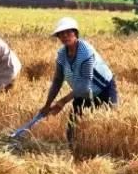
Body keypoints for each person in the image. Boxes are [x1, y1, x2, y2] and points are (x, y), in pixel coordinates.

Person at [39, 17, 119, 150]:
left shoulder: (85, 52)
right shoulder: (62, 54)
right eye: (61, 34)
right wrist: (47, 105)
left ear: (75, 33)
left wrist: (62, 101)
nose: (65, 36)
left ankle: (107, 151)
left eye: (68, 32)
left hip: (104, 88)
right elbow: (58, 80)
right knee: (73, 124)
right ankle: (72, 150)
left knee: (110, 122)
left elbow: (85, 85)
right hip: (80, 90)